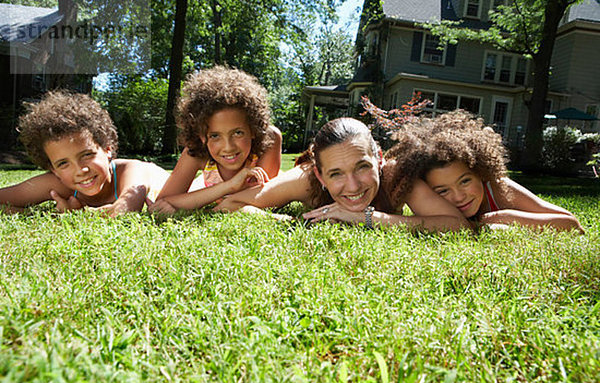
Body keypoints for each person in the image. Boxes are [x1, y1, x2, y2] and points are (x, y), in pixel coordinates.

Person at [216, 117, 470, 232]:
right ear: (320, 174)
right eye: (336, 174)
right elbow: (231, 204)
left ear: (379, 159)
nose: (353, 186)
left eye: (362, 167)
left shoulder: (395, 176)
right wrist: (297, 222)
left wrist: (369, 218)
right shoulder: (305, 179)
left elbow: (459, 226)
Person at [387, 110, 584, 233]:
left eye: (464, 181)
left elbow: (572, 225)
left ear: (480, 172)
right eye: (442, 191)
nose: (459, 196)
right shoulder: (428, 202)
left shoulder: (498, 188)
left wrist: (503, 217)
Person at [0, 91, 169, 216]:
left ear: (107, 149)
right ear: (53, 170)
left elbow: (125, 210)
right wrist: (42, 216)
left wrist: (77, 216)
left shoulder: (133, 170)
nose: (80, 170)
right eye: (63, 163)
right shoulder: (58, 182)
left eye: (87, 155)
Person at [149, 66, 282, 213]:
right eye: (214, 136)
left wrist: (205, 205)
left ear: (253, 129)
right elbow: (162, 203)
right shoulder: (196, 151)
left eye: (238, 133)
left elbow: (262, 197)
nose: (228, 147)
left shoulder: (270, 139)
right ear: (201, 136)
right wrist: (230, 185)